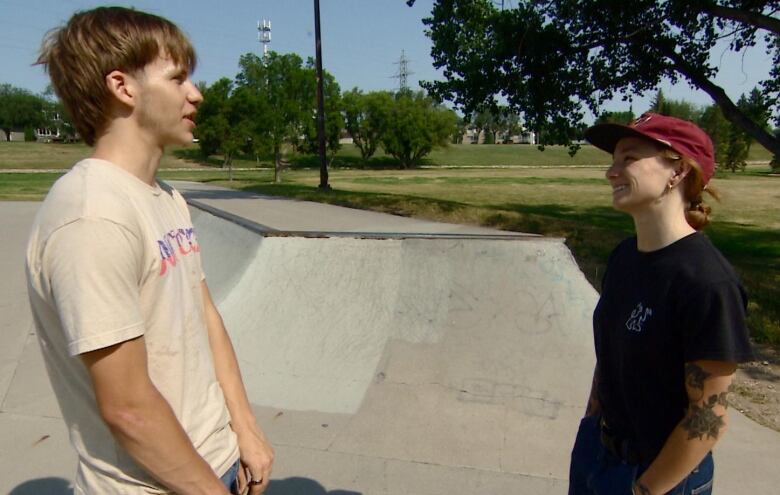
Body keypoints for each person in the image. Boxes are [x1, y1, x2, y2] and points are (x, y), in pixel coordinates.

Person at [26, 7, 273, 494]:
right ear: (124, 87)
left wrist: (244, 427)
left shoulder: (163, 195)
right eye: (179, 78)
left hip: (213, 460)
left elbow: (205, 317)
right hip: (154, 485)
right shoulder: (92, 216)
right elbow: (128, 408)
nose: (195, 94)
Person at [568, 113, 754, 495]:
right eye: (613, 160)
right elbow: (612, 355)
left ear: (679, 170)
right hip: (598, 453)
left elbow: (708, 416)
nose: (611, 172)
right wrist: (593, 421)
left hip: (659, 476)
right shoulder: (624, 257)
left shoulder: (706, 282)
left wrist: (644, 490)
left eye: (629, 158)